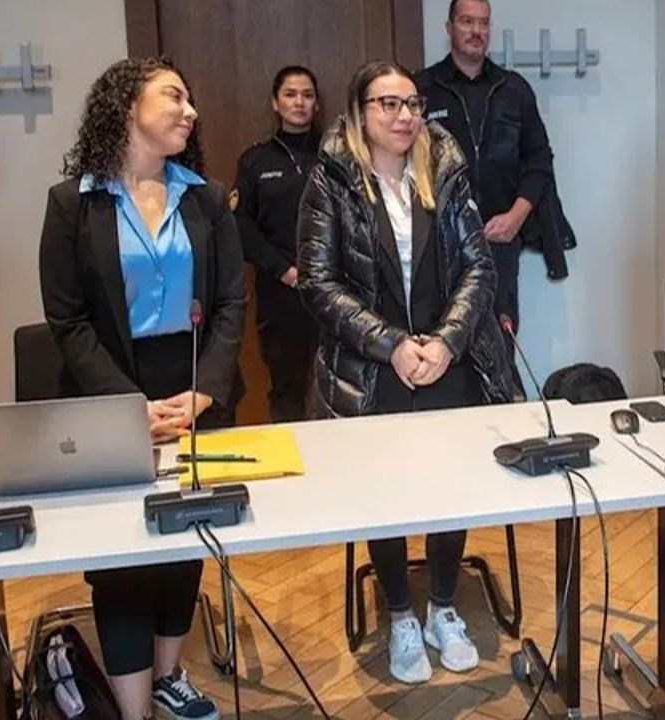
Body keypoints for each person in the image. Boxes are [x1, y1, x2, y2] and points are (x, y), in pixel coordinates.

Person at [296, 60, 515, 684]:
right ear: (360, 111)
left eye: (413, 104)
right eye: (388, 104)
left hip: (446, 360)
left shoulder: (444, 170)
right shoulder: (332, 180)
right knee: (383, 495)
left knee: (451, 489)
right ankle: (399, 612)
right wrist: (392, 344)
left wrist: (446, 342)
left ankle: (444, 605)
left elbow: (480, 268)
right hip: (372, 368)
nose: (404, 116)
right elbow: (317, 281)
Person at [39, 56, 243, 720]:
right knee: (123, 552)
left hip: (191, 390)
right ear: (127, 104)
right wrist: (128, 403)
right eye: (174, 96)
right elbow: (67, 320)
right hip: (110, 392)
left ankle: (168, 676)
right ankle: (132, 710)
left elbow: (230, 306)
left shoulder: (206, 197)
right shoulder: (73, 202)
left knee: (184, 542)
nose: (191, 111)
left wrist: (206, 390)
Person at [416, 0, 575, 337]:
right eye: (467, 22)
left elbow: (539, 159)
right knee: (444, 340)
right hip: (439, 243)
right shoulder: (423, 89)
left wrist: (515, 218)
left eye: (484, 23)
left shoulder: (514, 89)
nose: (477, 31)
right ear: (449, 28)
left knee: (500, 340)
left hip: (499, 238)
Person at [233, 65, 323, 422]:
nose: (299, 102)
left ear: (317, 104)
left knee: (339, 383)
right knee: (287, 387)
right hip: (280, 292)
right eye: (290, 94)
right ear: (275, 102)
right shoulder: (255, 160)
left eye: (307, 95)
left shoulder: (335, 155)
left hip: (334, 288)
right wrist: (283, 270)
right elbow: (241, 225)